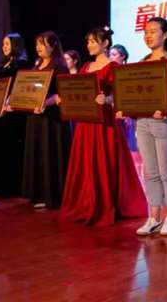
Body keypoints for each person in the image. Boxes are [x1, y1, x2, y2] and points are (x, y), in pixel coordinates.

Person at [61, 27, 147, 225]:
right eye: (88, 41)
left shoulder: (113, 66)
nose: (89, 45)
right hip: (86, 121)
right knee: (86, 160)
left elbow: (122, 94)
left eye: (93, 41)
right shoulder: (86, 66)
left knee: (104, 158)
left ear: (105, 43)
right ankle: (85, 202)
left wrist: (107, 99)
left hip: (104, 121)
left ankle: (106, 204)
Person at [131, 17, 167, 236]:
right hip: (142, 122)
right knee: (150, 172)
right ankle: (153, 217)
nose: (148, 36)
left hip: (165, 122)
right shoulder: (141, 62)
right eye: (146, 32)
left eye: (153, 31)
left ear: (165, 35)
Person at [20, 31, 71, 209]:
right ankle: (37, 193)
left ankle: (51, 196)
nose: (38, 48)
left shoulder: (60, 67)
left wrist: (47, 102)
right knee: (37, 153)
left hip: (51, 120)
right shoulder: (37, 65)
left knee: (49, 154)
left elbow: (62, 95)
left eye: (42, 44)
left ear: (53, 46)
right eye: (37, 44)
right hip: (35, 117)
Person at [0, 33, 29, 197]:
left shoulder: (22, 64)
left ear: (16, 45)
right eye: (3, 44)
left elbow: (21, 87)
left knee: (9, 149)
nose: (4, 47)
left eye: (7, 44)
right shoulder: (3, 64)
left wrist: (8, 103)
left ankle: (9, 187)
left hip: (12, 113)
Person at [109, 44, 137, 151]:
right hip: (112, 110)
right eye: (110, 55)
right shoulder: (108, 72)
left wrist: (127, 112)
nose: (111, 57)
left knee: (126, 144)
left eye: (114, 54)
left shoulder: (128, 72)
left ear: (123, 56)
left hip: (126, 111)